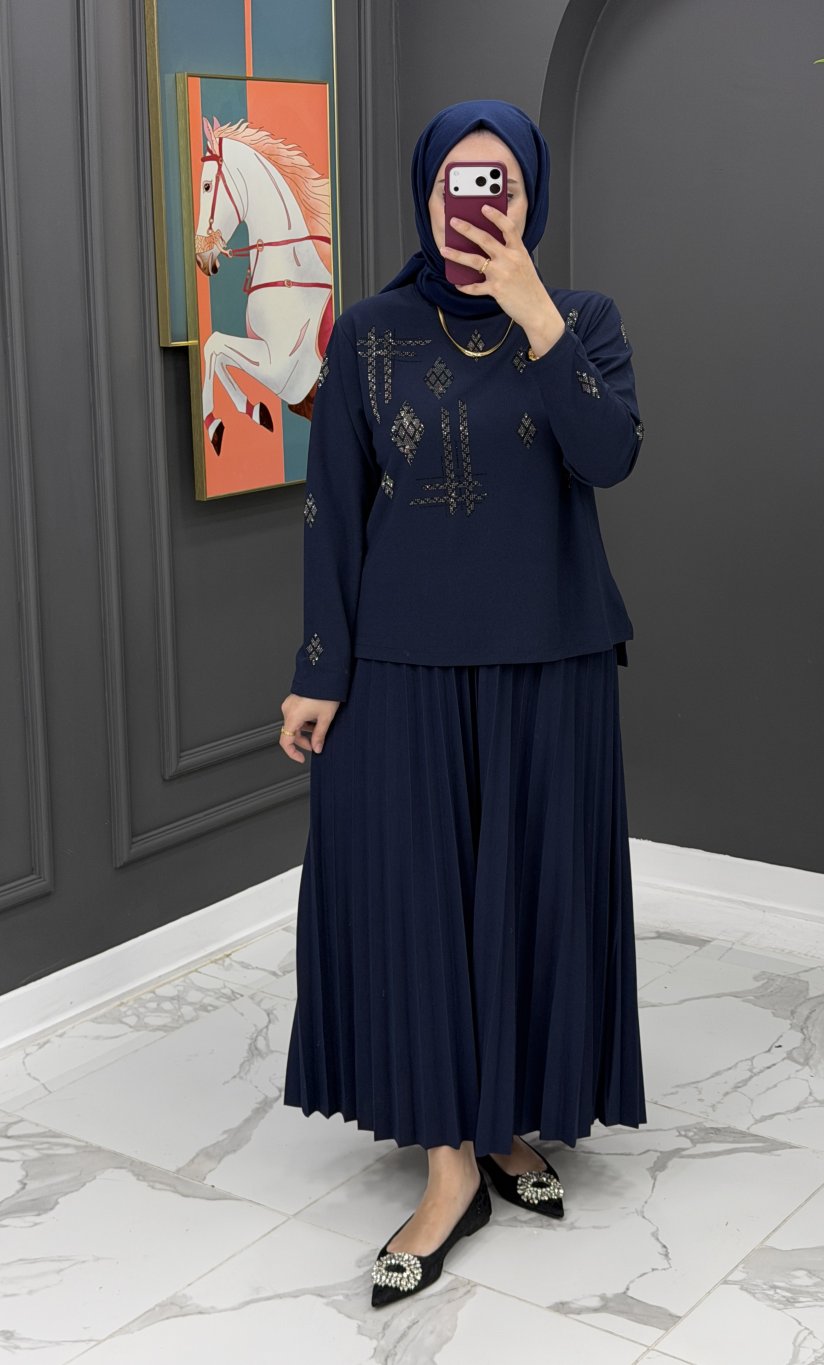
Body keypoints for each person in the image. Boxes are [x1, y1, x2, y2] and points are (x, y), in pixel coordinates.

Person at [278, 99, 647, 1308]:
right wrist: (319, 670)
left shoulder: (583, 321)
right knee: (424, 913)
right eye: (454, 182)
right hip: (401, 670)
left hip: (552, 663)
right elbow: (333, 508)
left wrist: (537, 315)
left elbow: (608, 455)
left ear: (530, 197)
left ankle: (506, 1123)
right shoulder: (371, 334)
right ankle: (450, 1169)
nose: (472, 203)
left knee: (529, 901)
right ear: (425, 194)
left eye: (498, 183)